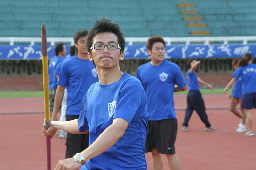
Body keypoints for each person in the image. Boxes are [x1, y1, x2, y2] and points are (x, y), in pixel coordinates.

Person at [43, 18, 148, 169]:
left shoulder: (131, 86)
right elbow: (82, 125)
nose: (105, 50)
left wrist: (79, 158)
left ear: (122, 54)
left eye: (112, 46)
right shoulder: (92, 91)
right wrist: (54, 124)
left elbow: (117, 128)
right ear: (90, 55)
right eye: (99, 46)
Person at [136, 36, 187, 170]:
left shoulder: (172, 68)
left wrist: (171, 89)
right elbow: (140, 91)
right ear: (149, 51)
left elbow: (183, 86)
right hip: (148, 118)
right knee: (154, 152)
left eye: (162, 49)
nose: (161, 51)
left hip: (166, 117)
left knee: (169, 152)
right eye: (157, 49)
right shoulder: (141, 70)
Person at [51, 30, 98, 158]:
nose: (84, 44)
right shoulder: (67, 64)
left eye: (86, 41)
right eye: (81, 42)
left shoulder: (97, 62)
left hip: (94, 113)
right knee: (73, 152)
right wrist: (55, 112)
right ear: (76, 44)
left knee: (90, 153)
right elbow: (60, 90)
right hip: (74, 112)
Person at [224, 53, 256, 136]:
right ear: (251, 59)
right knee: (234, 108)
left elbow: (233, 80)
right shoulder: (252, 67)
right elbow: (234, 81)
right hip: (244, 91)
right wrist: (231, 91)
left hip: (246, 92)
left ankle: (247, 128)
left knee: (247, 111)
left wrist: (227, 87)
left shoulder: (241, 68)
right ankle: (244, 123)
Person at [182, 59, 216, 132]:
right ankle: (208, 125)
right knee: (201, 110)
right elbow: (192, 68)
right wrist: (196, 63)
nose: (195, 64)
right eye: (193, 62)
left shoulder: (193, 73)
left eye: (195, 62)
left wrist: (207, 85)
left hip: (190, 94)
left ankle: (184, 125)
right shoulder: (190, 71)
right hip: (195, 94)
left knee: (189, 109)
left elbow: (199, 80)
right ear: (190, 64)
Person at [58, 45, 77, 139]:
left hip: (66, 89)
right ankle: (63, 130)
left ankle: (62, 131)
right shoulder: (69, 62)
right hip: (69, 90)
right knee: (66, 110)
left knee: (64, 110)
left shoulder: (66, 60)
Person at [48, 42, 66, 117]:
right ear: (61, 51)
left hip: (50, 85)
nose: (66, 50)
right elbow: (57, 73)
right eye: (64, 48)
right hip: (56, 86)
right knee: (62, 107)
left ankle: (50, 123)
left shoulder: (52, 60)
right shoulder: (61, 61)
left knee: (52, 107)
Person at [229, 58, 246, 133]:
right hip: (235, 92)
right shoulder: (236, 72)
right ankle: (244, 119)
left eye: (235, 65)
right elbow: (234, 82)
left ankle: (242, 126)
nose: (234, 67)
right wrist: (231, 92)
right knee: (232, 108)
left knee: (243, 110)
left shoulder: (244, 71)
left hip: (242, 92)